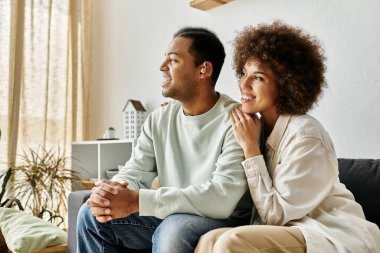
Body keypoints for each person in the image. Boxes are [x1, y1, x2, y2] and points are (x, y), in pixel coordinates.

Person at [195, 21, 380, 253]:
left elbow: (275, 215)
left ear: (286, 85)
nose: (244, 83)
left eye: (258, 77)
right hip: (288, 231)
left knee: (230, 243)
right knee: (209, 240)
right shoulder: (255, 128)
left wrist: (251, 149)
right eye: (244, 73)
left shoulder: (307, 136)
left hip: (328, 233)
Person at [76, 27, 253, 253]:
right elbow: (135, 170)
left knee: (174, 229)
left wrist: (136, 201)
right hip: (171, 212)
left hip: (221, 219)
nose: (162, 68)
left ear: (203, 69)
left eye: (173, 61)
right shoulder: (159, 119)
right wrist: (111, 192)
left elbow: (221, 198)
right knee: (91, 214)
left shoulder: (236, 120)